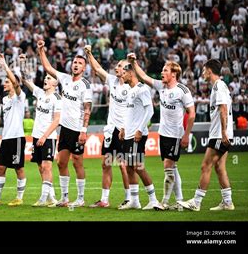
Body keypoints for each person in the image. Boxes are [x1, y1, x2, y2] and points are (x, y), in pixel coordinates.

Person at [127, 53, 196, 209]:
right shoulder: (161, 86)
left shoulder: (182, 91)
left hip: (175, 135)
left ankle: (164, 202)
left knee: (168, 167)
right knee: (173, 168)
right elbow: (144, 77)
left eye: (165, 70)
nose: (162, 73)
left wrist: (186, 135)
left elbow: (191, 113)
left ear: (174, 74)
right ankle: (179, 200)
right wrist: (134, 62)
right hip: (163, 134)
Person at [37, 40, 92, 208]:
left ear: (84, 68)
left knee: (77, 162)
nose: (76, 65)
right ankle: (65, 197)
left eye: (80, 63)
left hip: (77, 129)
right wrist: (41, 51)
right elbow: (48, 68)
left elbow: (87, 108)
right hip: (65, 129)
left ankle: (81, 198)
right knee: (61, 162)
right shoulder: (65, 78)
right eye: (75, 62)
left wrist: (84, 130)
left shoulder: (85, 85)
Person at [178, 59, 235, 211]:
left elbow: (223, 109)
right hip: (222, 134)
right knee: (219, 167)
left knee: (206, 166)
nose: (202, 73)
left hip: (219, 135)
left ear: (209, 71)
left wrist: (223, 132)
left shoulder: (219, 86)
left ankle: (196, 202)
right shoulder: (219, 86)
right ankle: (228, 202)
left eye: (204, 70)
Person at [84, 46, 131, 209]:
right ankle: (104, 200)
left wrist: (128, 128)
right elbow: (97, 68)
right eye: (117, 66)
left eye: (120, 66)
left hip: (124, 131)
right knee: (106, 164)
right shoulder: (112, 80)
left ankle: (129, 198)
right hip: (111, 130)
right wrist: (89, 53)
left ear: (127, 69)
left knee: (124, 166)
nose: (116, 68)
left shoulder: (132, 87)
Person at [0, 54, 27, 206]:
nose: (4, 84)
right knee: (1, 168)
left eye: (7, 82)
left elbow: (15, 80)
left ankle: (19, 198)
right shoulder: (5, 100)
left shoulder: (20, 97)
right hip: (6, 138)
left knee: (18, 168)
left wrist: (4, 65)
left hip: (17, 138)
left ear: (14, 84)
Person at [118, 63, 164, 210]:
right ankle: (134, 200)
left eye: (124, 73)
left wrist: (140, 129)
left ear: (131, 73)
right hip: (128, 134)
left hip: (137, 135)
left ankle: (153, 200)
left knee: (138, 166)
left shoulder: (142, 89)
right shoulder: (129, 90)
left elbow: (149, 111)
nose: (121, 75)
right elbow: (129, 113)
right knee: (129, 167)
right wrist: (123, 128)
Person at [20, 54, 60, 207]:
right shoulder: (39, 93)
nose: (45, 79)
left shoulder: (57, 99)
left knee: (46, 166)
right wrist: (23, 64)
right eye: (45, 78)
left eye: (49, 78)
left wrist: (45, 136)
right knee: (40, 167)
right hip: (37, 137)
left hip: (48, 137)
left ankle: (43, 199)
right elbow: (26, 80)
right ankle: (51, 197)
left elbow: (57, 120)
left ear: (55, 83)